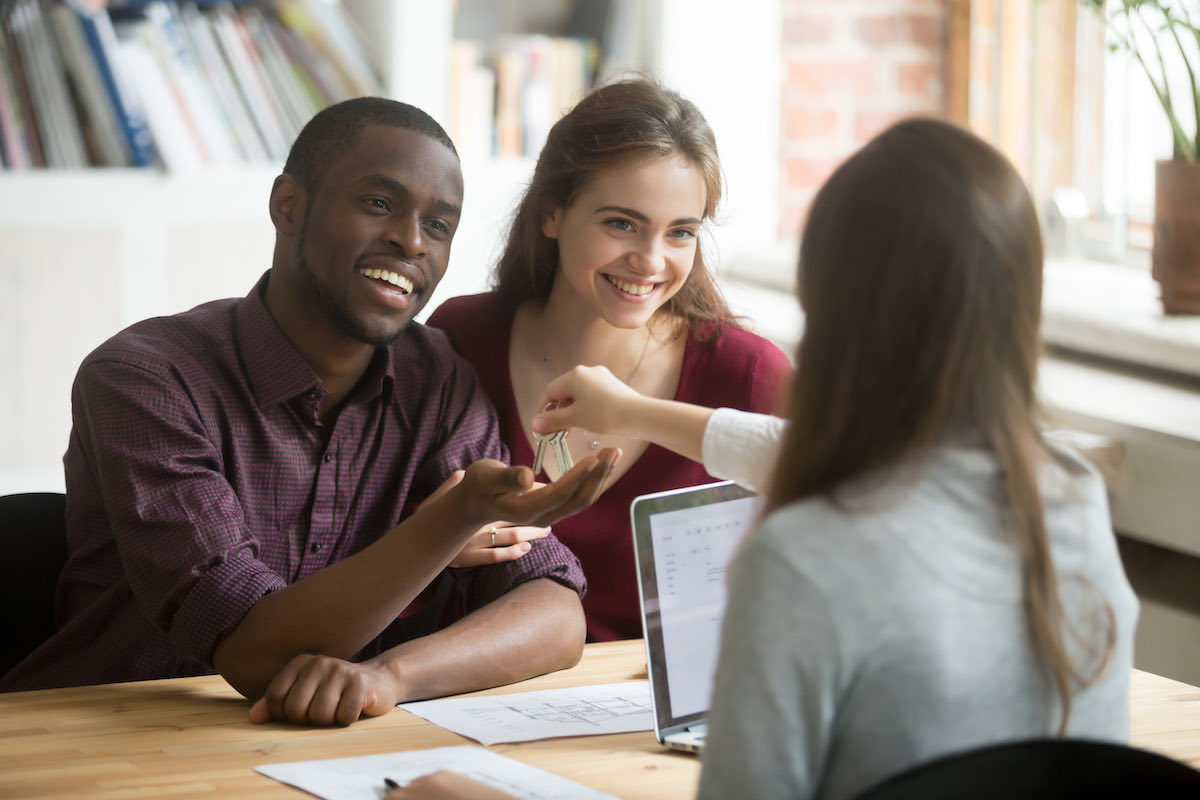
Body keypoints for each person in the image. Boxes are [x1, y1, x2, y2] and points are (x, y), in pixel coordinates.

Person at [375, 117, 1141, 800]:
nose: (653, 258)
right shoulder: (1067, 495)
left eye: (683, 230)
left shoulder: (800, 558)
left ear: (826, 298)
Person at [0, 98, 620, 727]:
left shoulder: (438, 382)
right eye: (379, 204)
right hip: (106, 743)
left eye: (438, 226)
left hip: (321, 754)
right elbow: (250, 653)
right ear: (288, 205)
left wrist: (390, 675)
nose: (410, 239)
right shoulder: (147, 379)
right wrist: (456, 517)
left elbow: (555, 610)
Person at [426, 77, 792, 641]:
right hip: (467, 699)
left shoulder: (747, 376)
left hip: (651, 719)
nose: (650, 261)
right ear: (552, 214)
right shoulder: (463, 337)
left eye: (680, 233)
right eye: (621, 223)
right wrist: (439, 540)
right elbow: (388, 533)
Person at [532, 364, 786, 494]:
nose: (648, 263)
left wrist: (629, 412)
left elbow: (794, 459)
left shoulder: (752, 372)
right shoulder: (492, 332)